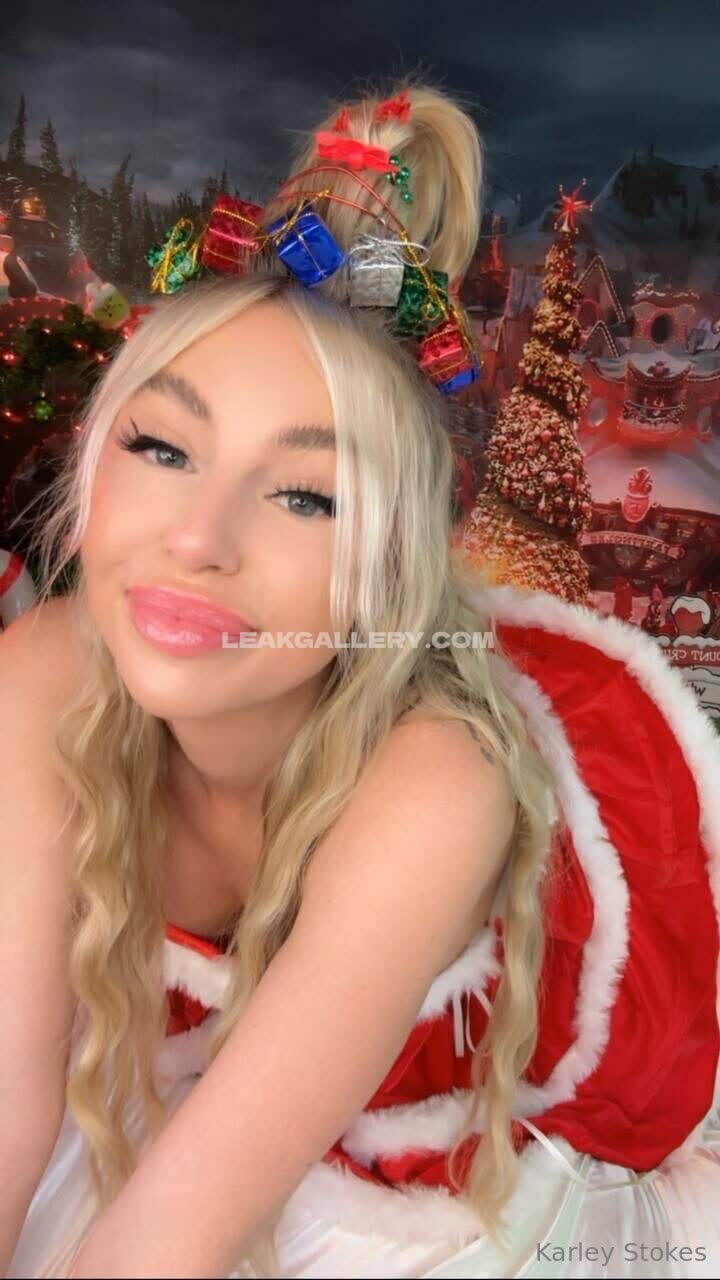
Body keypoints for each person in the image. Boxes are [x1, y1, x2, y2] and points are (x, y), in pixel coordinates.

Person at [2, 81, 719, 1280]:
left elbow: (165, 1243)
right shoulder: (43, 672)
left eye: (304, 494)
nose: (197, 539)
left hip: (465, 1172)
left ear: (390, 562)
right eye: (164, 445)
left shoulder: (435, 786)